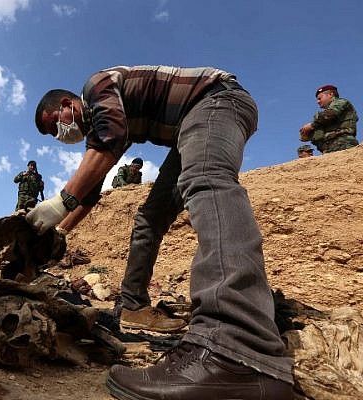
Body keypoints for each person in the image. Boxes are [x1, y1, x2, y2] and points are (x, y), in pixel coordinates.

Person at [28, 65, 293, 399]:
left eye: (56, 123)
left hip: (216, 100)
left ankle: (237, 347)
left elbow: (108, 142)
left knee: (206, 179)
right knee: (150, 218)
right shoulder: (105, 123)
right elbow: (90, 192)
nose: (60, 133)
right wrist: (57, 232)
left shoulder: (98, 87)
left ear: (67, 103)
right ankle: (133, 304)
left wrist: (60, 201)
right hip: (190, 122)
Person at [299, 84, 358, 154]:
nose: (318, 102)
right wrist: (306, 133)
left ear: (330, 94)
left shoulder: (341, 102)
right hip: (329, 147)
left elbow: (330, 114)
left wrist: (312, 125)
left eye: (319, 98)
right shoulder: (322, 118)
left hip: (342, 144)